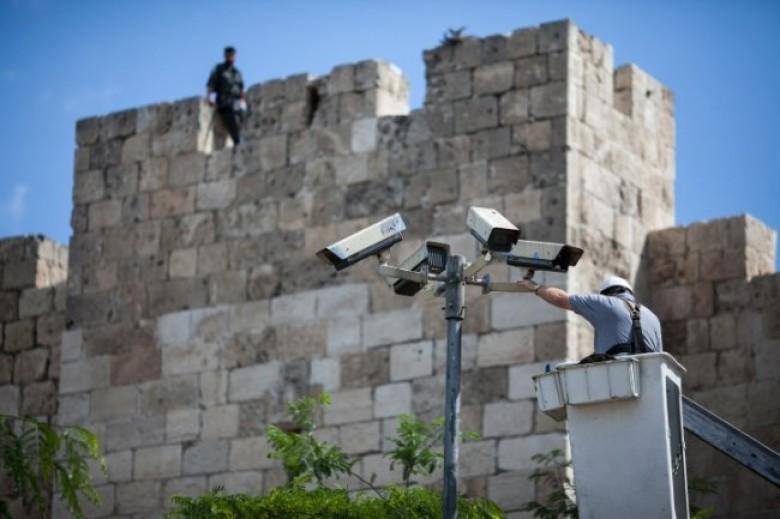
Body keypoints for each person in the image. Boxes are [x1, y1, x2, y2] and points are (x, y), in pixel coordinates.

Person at [517, 274, 663, 355]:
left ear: (606, 293)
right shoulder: (653, 318)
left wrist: (535, 287)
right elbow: (659, 359)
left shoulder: (605, 303)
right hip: (650, 388)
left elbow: (560, 298)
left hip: (618, 381)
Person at [207, 46, 245, 145]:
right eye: (228, 55)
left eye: (232, 55)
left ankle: (242, 141)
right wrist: (211, 100)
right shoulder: (219, 69)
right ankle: (237, 142)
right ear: (225, 56)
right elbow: (211, 85)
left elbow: (241, 89)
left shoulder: (237, 72)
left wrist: (243, 103)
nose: (230, 57)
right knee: (232, 119)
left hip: (236, 103)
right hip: (224, 103)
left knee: (243, 118)